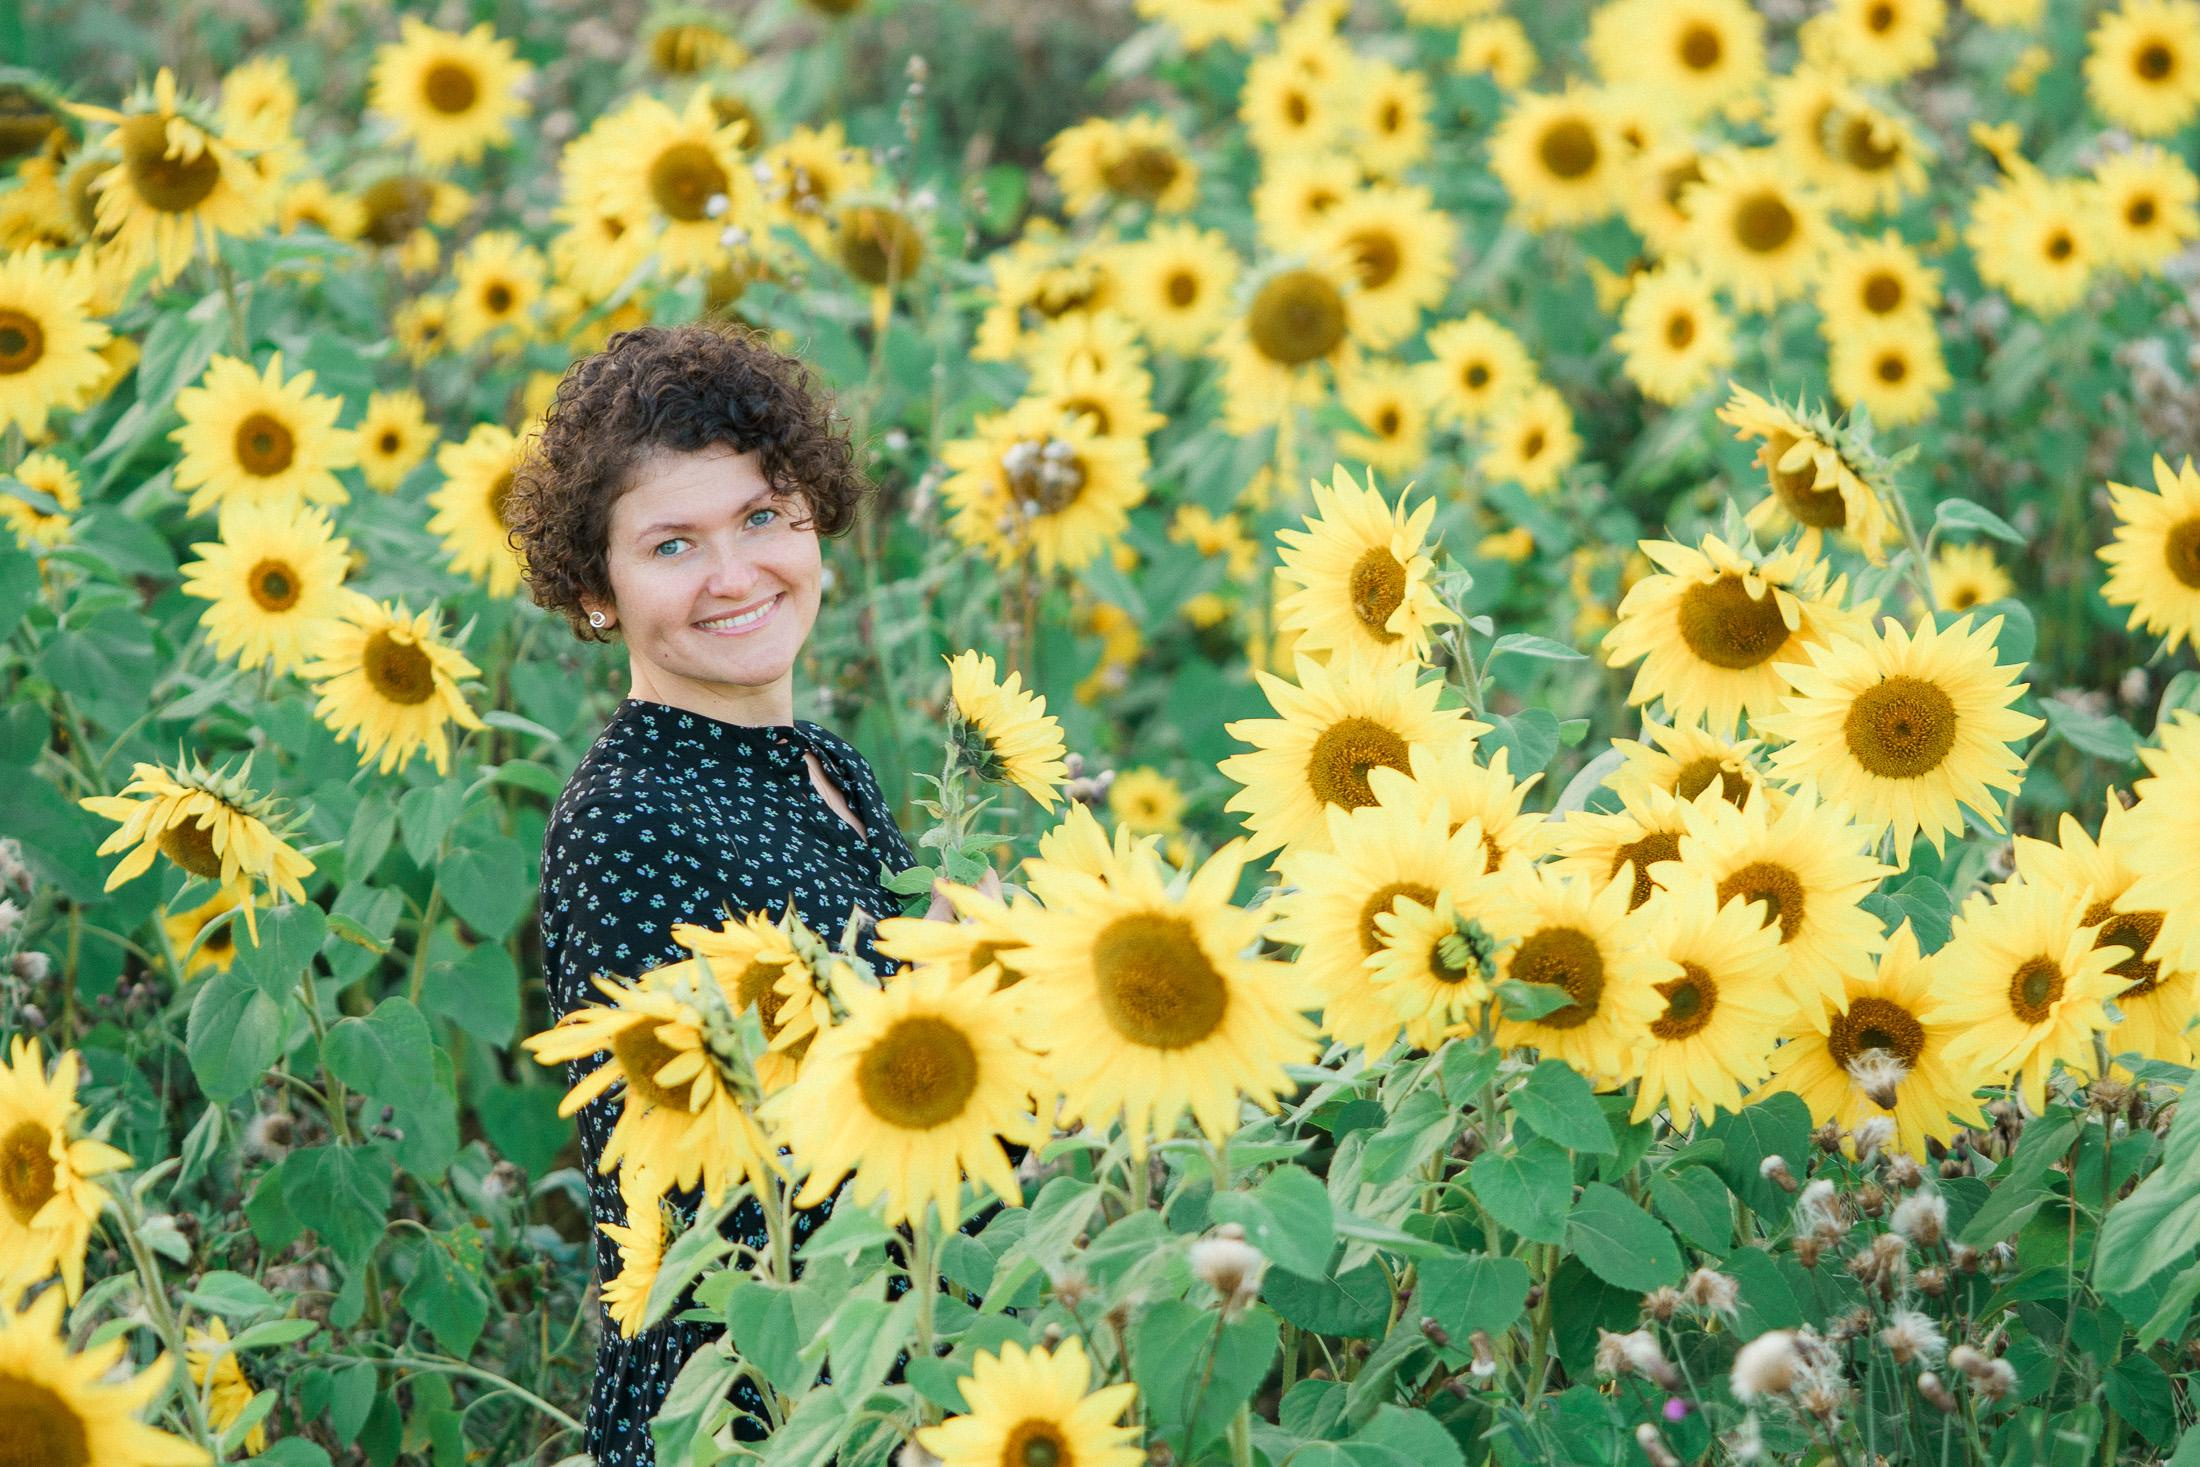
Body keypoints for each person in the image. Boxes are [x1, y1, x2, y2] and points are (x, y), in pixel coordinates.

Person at [508, 319, 938, 1465]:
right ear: (597, 593)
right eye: (673, 545)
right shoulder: (628, 818)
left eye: (760, 516)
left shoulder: (824, 765)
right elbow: (703, 1186)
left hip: (880, 1373)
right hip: (749, 1407)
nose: (737, 575)